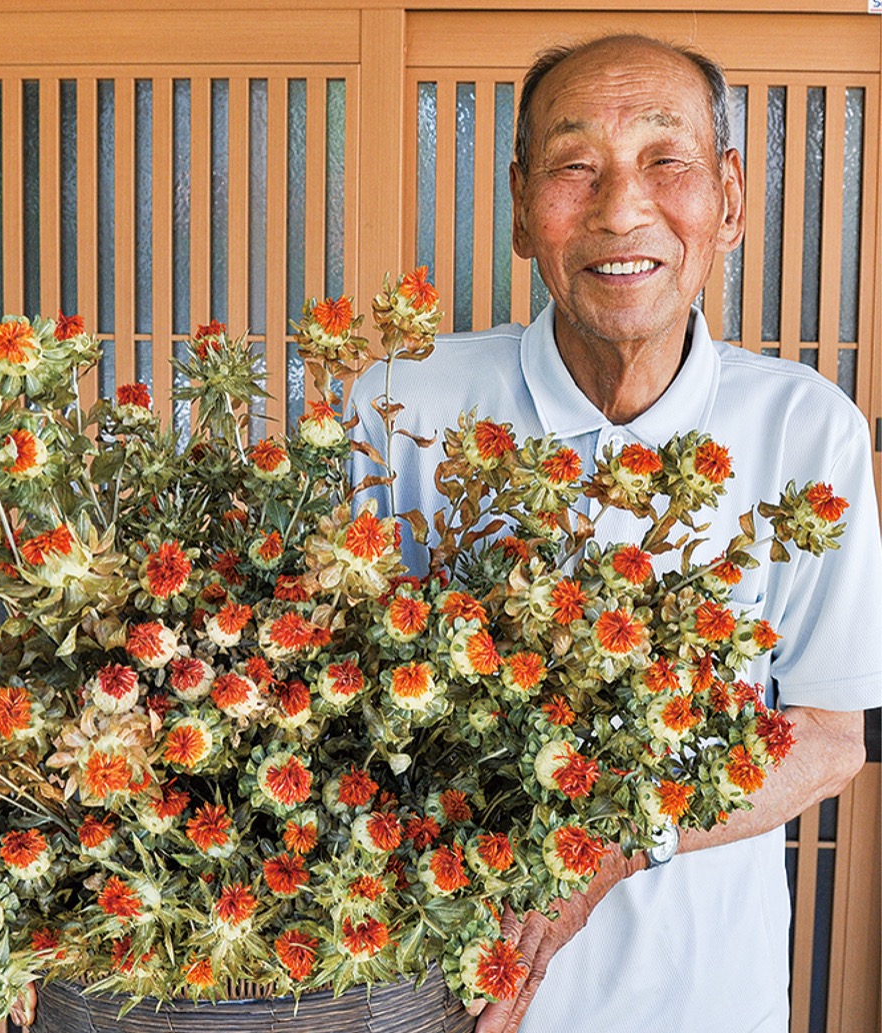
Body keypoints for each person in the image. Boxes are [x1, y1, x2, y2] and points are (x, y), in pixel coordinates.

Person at [350, 33, 881, 1033]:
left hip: (702, 996)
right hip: (434, 991)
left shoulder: (806, 429)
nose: (620, 208)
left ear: (729, 198)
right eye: (574, 166)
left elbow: (827, 736)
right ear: (520, 205)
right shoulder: (401, 403)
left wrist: (619, 840)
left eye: (664, 160)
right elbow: (334, 691)